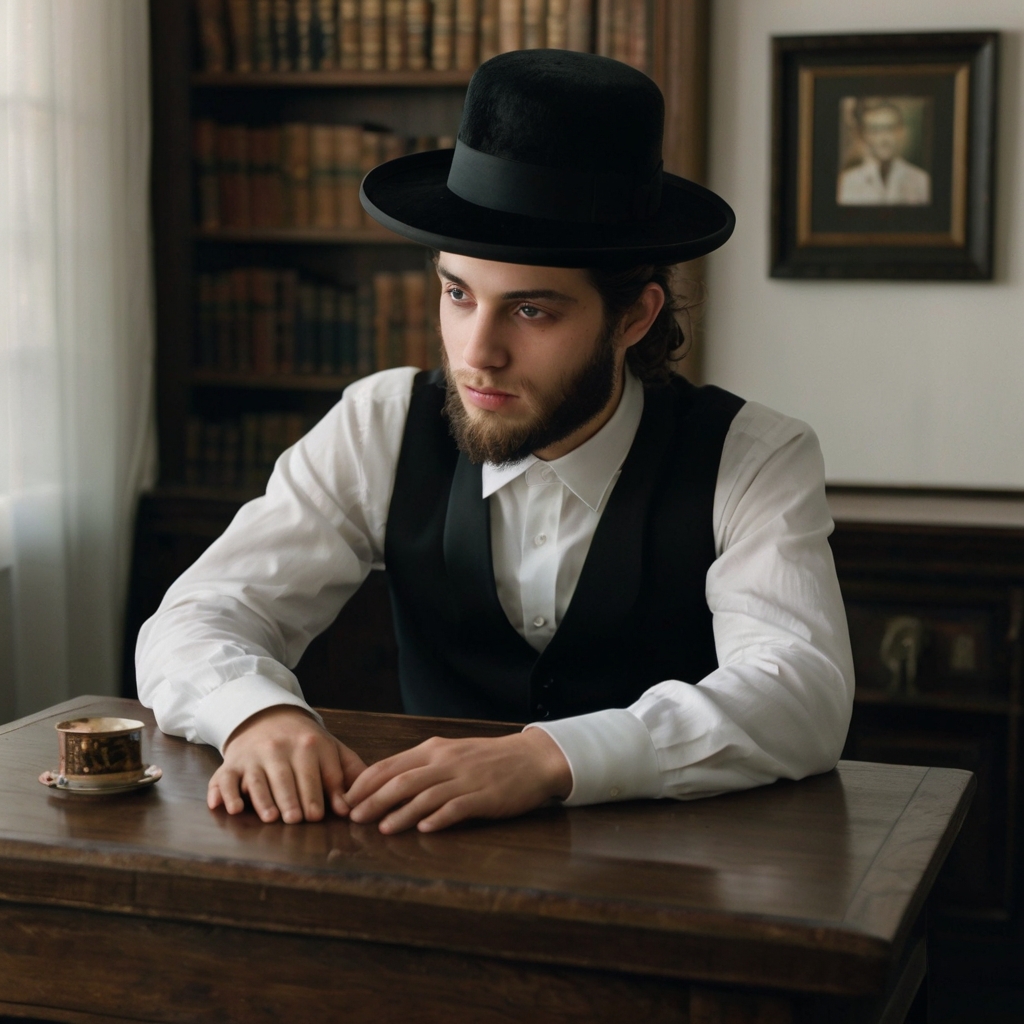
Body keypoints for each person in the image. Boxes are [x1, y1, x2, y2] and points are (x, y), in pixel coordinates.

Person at [137, 50, 854, 835]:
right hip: (426, 867)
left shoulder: (753, 455)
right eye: (457, 294)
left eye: (532, 311)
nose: (477, 352)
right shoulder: (381, 421)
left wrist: (553, 757)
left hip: (677, 886)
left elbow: (803, 692)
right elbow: (198, 617)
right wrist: (257, 716)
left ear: (634, 318)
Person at [837, 100, 931, 206]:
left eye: (889, 128)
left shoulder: (921, 181)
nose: (883, 139)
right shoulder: (847, 182)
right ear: (866, 135)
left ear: (901, 132)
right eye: (876, 130)